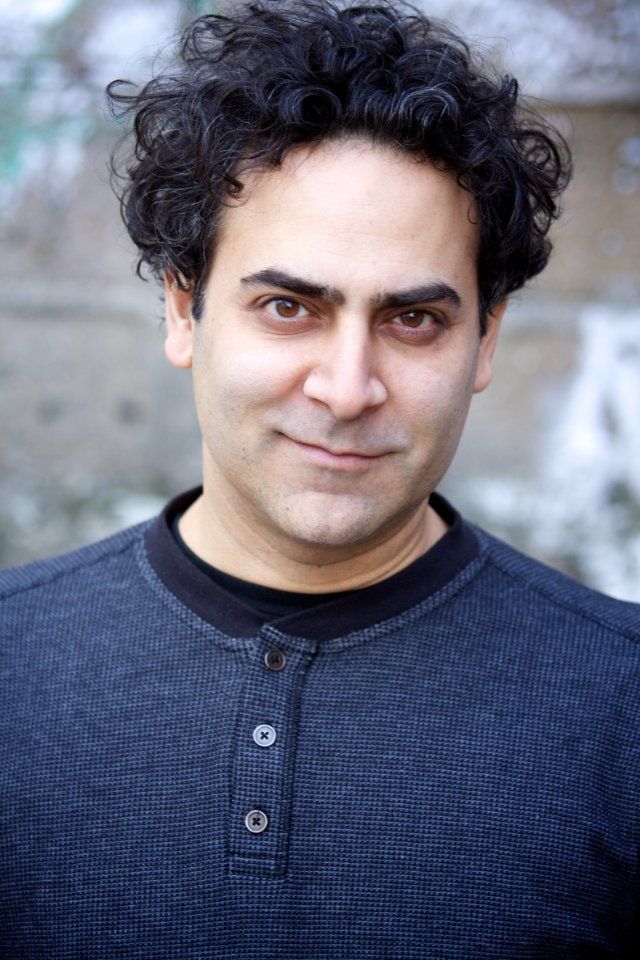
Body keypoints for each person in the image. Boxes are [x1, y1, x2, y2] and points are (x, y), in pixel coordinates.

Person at [2, 1, 638, 956]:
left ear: (484, 340)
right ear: (183, 309)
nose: (347, 390)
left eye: (413, 320)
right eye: (289, 307)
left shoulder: (622, 706)